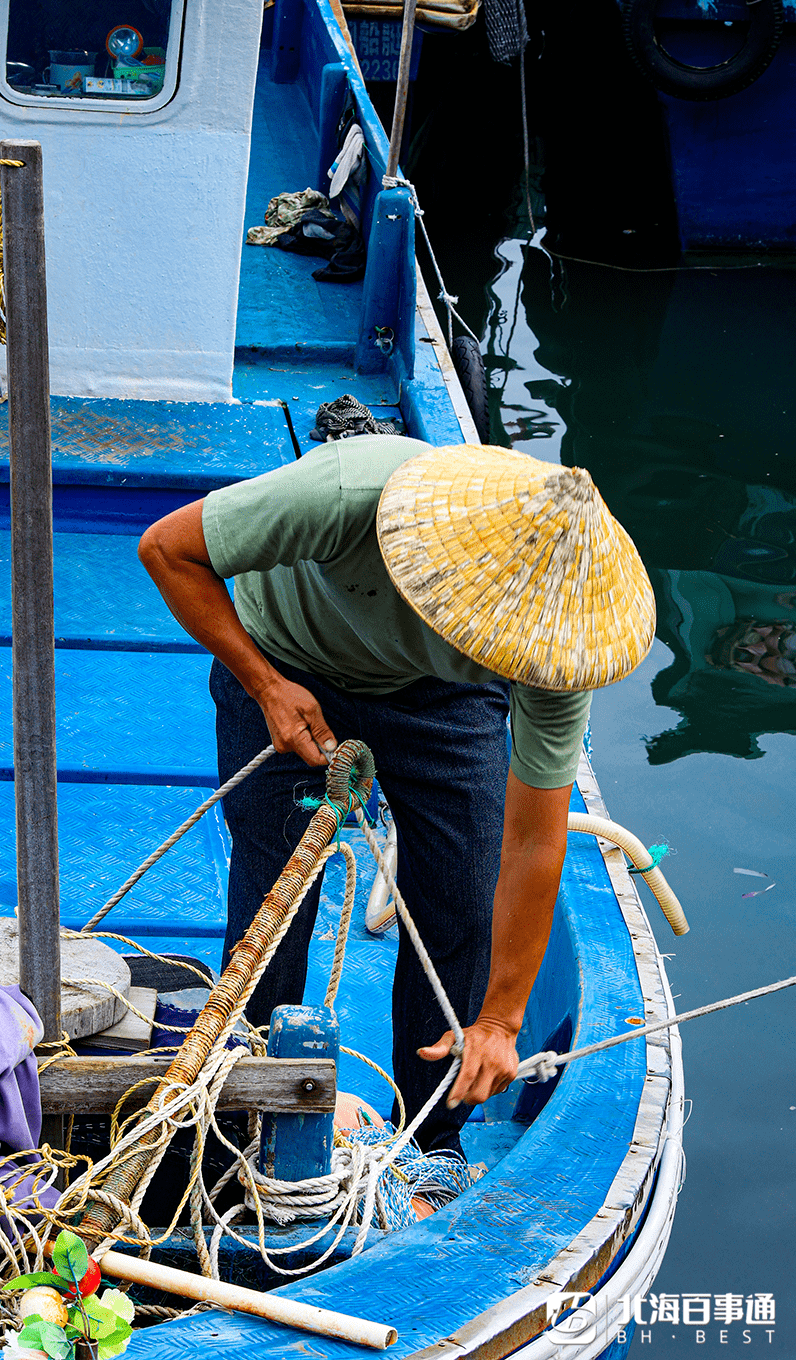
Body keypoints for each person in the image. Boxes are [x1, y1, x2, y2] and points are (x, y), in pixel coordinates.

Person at [139, 436, 654, 1149]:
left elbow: (534, 839)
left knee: (461, 899)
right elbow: (168, 550)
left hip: (449, 701)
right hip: (288, 655)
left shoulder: (551, 647)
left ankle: (433, 1139)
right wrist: (265, 685)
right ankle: (247, 1111)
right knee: (273, 888)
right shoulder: (352, 493)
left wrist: (501, 1022)